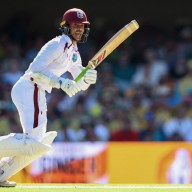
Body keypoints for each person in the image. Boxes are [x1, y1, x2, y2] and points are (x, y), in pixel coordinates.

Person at [0, 8, 97, 187]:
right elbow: (35, 70)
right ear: (66, 27)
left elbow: (78, 82)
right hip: (30, 87)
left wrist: (88, 79)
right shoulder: (58, 44)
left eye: (82, 26)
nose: (79, 29)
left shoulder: (74, 52)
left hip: (36, 91)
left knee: (37, 145)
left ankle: (1, 173)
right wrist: (60, 83)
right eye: (75, 25)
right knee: (34, 143)